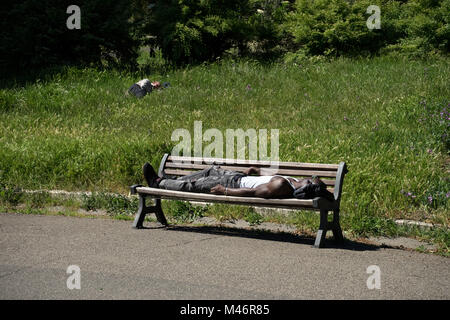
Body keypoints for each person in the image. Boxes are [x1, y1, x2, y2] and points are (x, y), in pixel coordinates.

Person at [142, 162, 331, 199]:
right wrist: (255, 171)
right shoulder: (291, 181)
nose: (313, 177)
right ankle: (169, 180)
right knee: (209, 170)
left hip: (232, 185)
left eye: (313, 180)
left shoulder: (281, 186)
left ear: (307, 185)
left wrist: (225, 191)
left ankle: (158, 183)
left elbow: (253, 192)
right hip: (238, 177)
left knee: (192, 186)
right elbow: (261, 181)